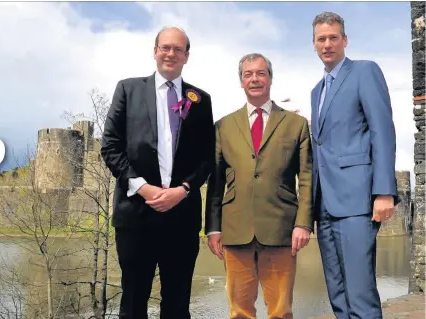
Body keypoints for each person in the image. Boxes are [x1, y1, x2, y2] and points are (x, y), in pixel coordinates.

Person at [100, 26, 215, 318]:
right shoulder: (128, 89)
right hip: (137, 214)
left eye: (178, 49)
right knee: (133, 305)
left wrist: (184, 189)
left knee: (177, 306)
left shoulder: (200, 100)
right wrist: (142, 187)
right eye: (165, 47)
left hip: (181, 217)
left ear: (187, 56)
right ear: (155, 51)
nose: (171, 54)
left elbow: (206, 158)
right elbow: (111, 148)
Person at [205, 53, 313, 319]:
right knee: (239, 311)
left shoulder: (296, 124)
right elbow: (215, 182)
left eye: (261, 73)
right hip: (234, 230)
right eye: (248, 74)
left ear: (270, 79)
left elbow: (307, 178)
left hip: (281, 230)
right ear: (241, 82)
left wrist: (303, 223)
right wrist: (213, 228)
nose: (255, 79)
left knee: (280, 311)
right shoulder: (223, 126)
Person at [310, 11, 398, 319]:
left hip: (357, 202)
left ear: (344, 40)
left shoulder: (364, 71)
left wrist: (384, 191)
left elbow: (382, 130)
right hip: (325, 206)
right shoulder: (316, 92)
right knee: (338, 296)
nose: (328, 44)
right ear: (314, 44)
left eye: (334, 37)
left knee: (360, 296)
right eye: (321, 39)